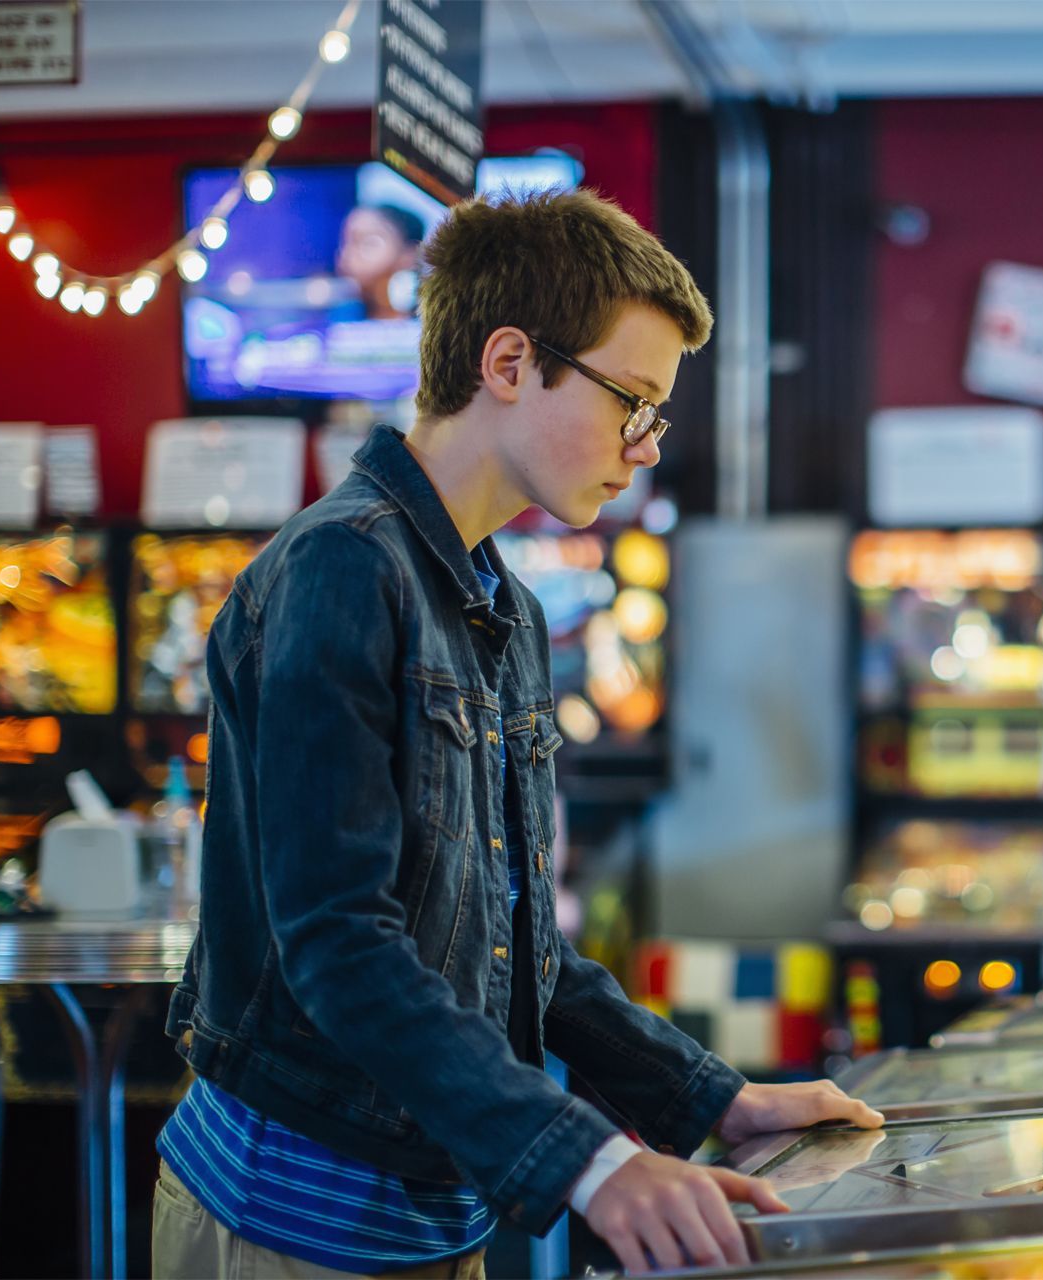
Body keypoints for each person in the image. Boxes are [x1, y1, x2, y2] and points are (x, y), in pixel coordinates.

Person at [153, 188, 882, 1280]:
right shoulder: (341, 564)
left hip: (437, 1214)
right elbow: (339, 943)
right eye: (631, 399)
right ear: (506, 363)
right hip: (288, 1223)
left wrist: (713, 1094)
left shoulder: (509, 605)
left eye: (656, 414)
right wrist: (593, 1164)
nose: (643, 446)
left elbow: (518, 947)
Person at [336, 202, 427, 320]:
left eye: (368, 242)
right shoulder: (341, 317)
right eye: (345, 242)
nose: (346, 254)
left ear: (410, 253)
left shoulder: (433, 317)